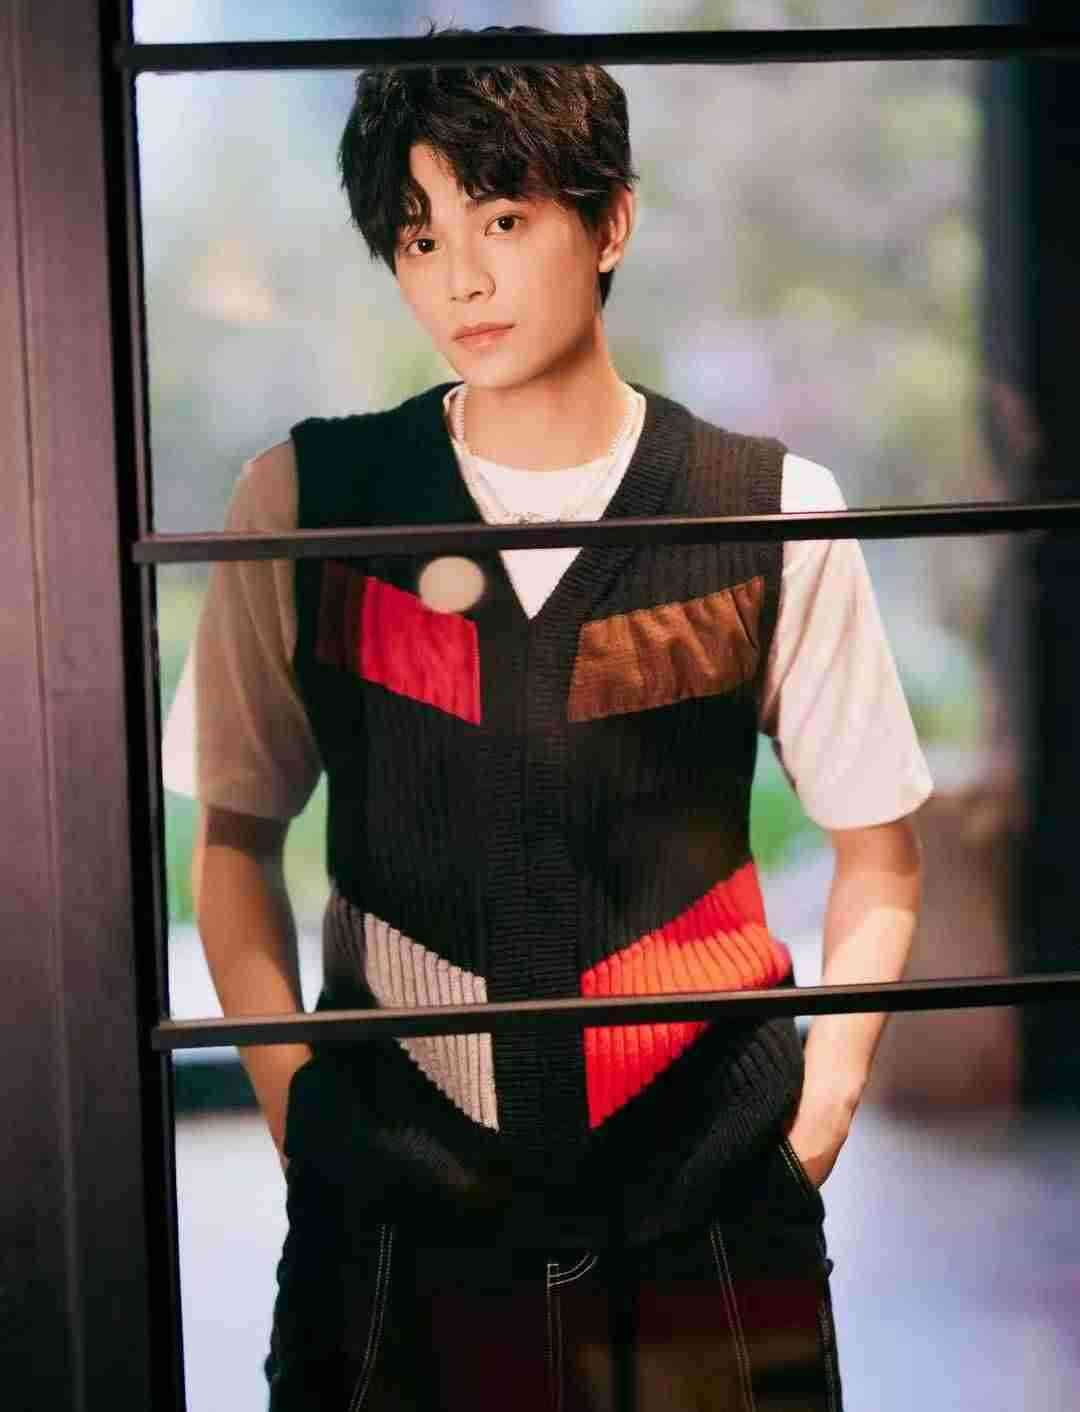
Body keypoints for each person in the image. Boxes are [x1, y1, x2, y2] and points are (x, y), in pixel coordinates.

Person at [163, 22, 931, 1411]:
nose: (461, 277)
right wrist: (298, 1113)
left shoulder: (771, 508)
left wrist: (810, 1133)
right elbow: (234, 841)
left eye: (502, 220)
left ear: (610, 220)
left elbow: (880, 854)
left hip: (710, 1233)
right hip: (390, 1243)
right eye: (419, 239)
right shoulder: (304, 504)